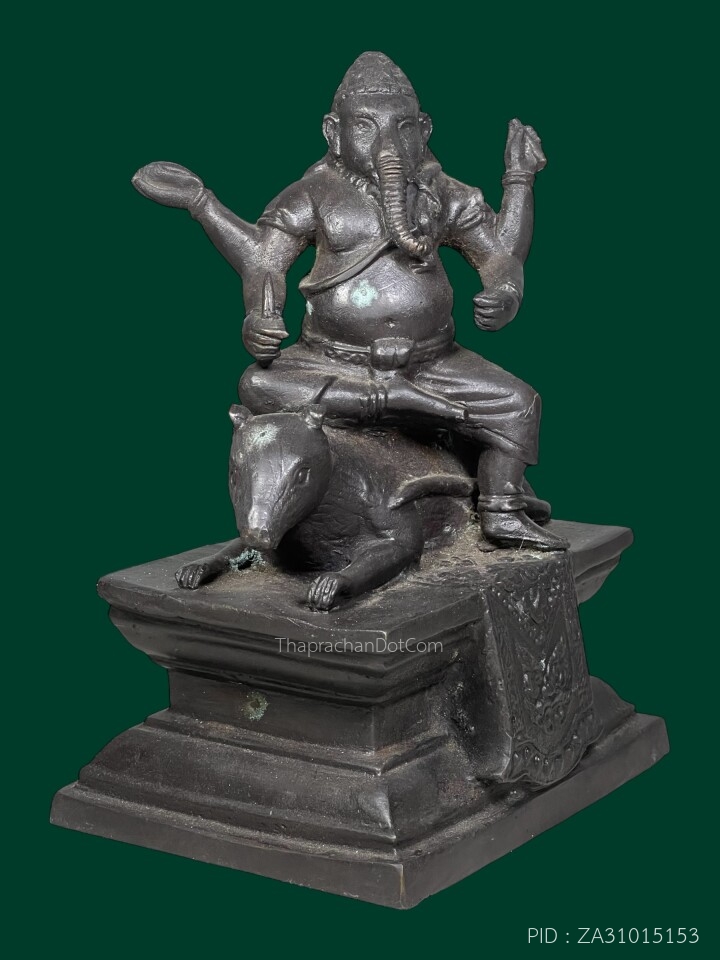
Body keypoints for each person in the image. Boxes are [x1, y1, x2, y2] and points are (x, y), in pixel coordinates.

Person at [132, 52, 566, 550]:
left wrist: (505, 291)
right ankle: (387, 402)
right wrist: (256, 310)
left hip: (432, 361)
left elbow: (497, 256)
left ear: (424, 130)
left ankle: (502, 507)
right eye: (365, 127)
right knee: (258, 382)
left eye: (403, 127)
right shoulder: (314, 194)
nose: (388, 144)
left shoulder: (443, 194)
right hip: (332, 360)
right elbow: (264, 260)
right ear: (333, 133)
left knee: (518, 402)